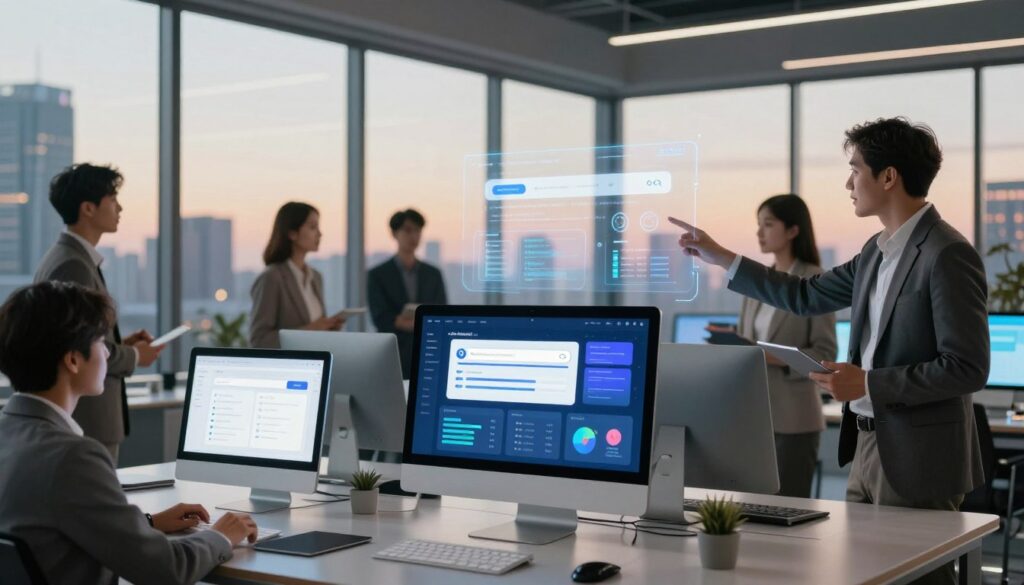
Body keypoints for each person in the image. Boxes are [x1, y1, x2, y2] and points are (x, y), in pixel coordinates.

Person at [674, 117, 987, 585]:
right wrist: (723, 257)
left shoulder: (946, 253)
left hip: (917, 454)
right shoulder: (876, 251)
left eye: (855, 168)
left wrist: (868, 382)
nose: (848, 182)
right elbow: (804, 295)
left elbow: (967, 367)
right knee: (865, 573)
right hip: (865, 443)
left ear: (888, 177)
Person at [0, 281, 259, 585]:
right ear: (72, 359)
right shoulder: (74, 457)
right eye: (101, 343)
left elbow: (51, 524)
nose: (109, 355)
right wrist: (219, 537)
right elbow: (166, 570)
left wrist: (148, 523)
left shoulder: (10, 433)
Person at [34, 163, 163, 462]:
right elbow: (73, 348)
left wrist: (121, 346)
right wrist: (135, 356)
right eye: (113, 200)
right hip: (88, 420)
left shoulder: (72, 259)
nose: (120, 208)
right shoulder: (72, 265)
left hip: (89, 419)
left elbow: (83, 337)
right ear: (88, 208)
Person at [712, 194, 836, 498]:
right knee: (749, 507)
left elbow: (825, 354)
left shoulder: (814, 280)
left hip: (794, 418)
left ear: (793, 230)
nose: (760, 233)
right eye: (758, 225)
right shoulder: (756, 283)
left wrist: (772, 357)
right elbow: (747, 342)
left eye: (768, 225)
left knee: (788, 508)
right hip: (754, 417)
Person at [249, 202, 345, 348]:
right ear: (292, 233)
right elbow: (259, 340)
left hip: (317, 364)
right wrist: (311, 329)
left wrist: (328, 328)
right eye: (313, 227)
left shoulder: (316, 277)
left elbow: (316, 331)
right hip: (287, 368)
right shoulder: (272, 278)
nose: (319, 233)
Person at [368, 208, 447, 378]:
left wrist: (406, 322)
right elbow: (380, 317)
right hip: (393, 354)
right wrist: (417, 323)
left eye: (418, 231)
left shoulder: (433, 274)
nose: (414, 236)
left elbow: (443, 312)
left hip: (428, 352)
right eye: (408, 230)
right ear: (395, 233)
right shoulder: (377, 275)